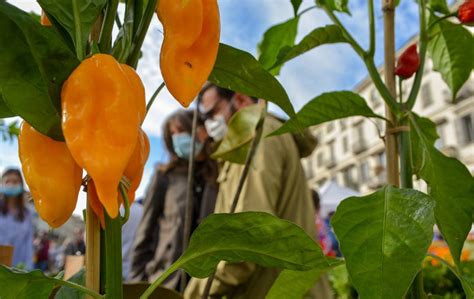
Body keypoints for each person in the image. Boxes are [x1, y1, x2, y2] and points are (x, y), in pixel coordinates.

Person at [185, 84, 332, 299]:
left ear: (242, 100)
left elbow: (247, 240)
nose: (209, 125)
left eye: (213, 112)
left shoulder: (258, 138)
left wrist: (194, 294)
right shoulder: (257, 139)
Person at [129, 110, 218, 289]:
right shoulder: (164, 176)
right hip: (165, 279)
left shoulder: (216, 174)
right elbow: (145, 232)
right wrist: (137, 282)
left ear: (199, 131)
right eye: (173, 134)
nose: (178, 138)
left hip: (203, 284)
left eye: (181, 130)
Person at [0, 168, 34, 269]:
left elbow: (28, 244)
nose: (11, 184)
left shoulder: (27, 215)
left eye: (15, 181)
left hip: (16, 269)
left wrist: (28, 270)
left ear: (20, 184)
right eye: (7, 181)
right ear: (2, 184)